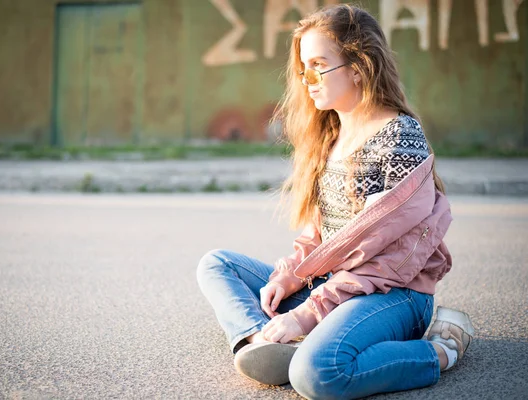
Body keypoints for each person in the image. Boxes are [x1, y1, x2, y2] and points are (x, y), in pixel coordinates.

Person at [196, 4, 474, 399]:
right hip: (333, 286)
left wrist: (306, 313)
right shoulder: (331, 135)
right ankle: (261, 342)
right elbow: (322, 234)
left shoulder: (400, 137)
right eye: (302, 68)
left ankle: (441, 348)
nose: (306, 79)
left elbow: (391, 260)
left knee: (318, 375)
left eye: (317, 65)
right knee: (217, 264)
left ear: (358, 66)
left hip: (393, 294)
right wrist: (290, 275)